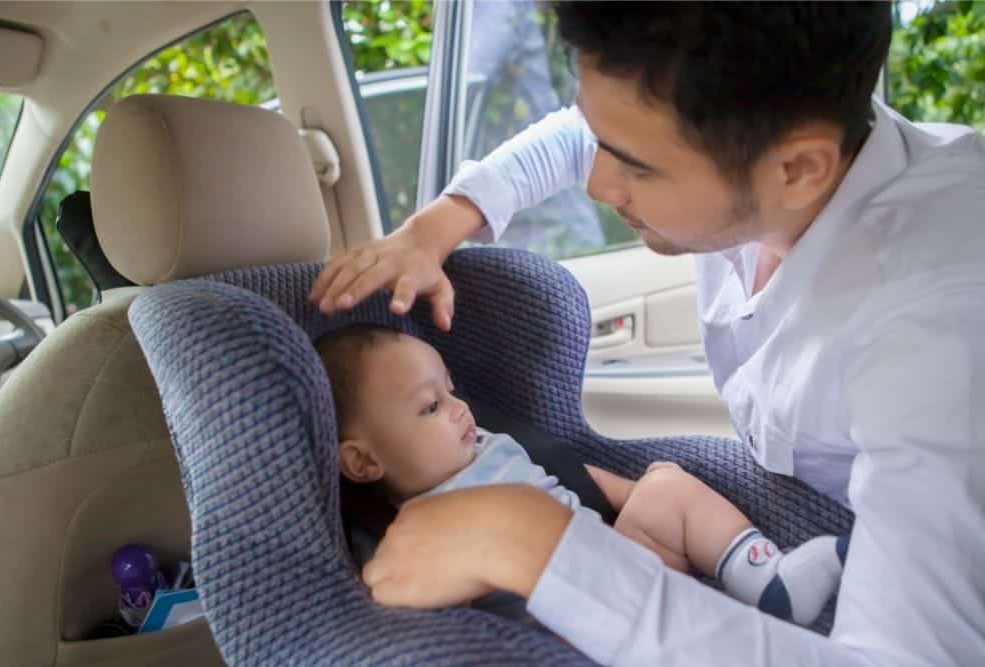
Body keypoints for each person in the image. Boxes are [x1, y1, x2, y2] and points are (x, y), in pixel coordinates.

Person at [310, 3, 985, 665]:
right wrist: (434, 229)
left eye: (633, 165)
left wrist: (529, 542)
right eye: (604, 144)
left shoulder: (941, 337)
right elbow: (582, 134)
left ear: (796, 169)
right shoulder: (764, 152)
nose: (599, 183)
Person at [315, 324, 846, 627]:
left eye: (452, 390)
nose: (459, 408)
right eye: (431, 407)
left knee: (666, 484)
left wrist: (647, 499)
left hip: (625, 561)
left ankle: (769, 583)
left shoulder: (488, 444)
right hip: (572, 618)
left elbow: (575, 477)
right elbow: (401, 601)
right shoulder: (415, 529)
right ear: (363, 462)